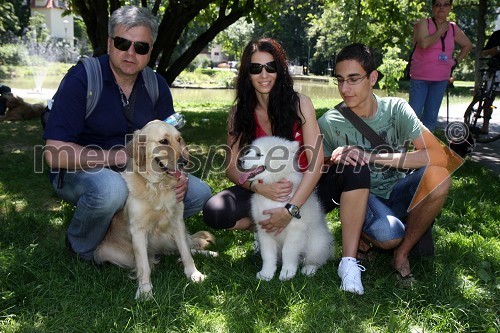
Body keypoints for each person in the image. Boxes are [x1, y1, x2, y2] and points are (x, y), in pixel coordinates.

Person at [202, 38, 371, 295]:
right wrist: (258, 188)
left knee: (355, 169)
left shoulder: (300, 103)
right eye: (256, 68)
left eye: (271, 67)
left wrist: (291, 209)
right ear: (247, 73)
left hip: (307, 186)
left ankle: (348, 264)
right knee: (216, 211)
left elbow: (315, 165)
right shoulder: (239, 113)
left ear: (280, 70)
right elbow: (232, 168)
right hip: (264, 187)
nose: (264, 74)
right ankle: (268, 233)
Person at [43, 6, 212, 262]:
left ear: (150, 51)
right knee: (111, 190)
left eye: (141, 47)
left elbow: (173, 140)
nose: (131, 53)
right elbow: (54, 154)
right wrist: (117, 157)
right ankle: (81, 247)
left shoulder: (157, 86)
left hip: (140, 172)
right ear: (110, 43)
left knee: (198, 193)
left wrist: (181, 175)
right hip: (81, 170)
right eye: (123, 43)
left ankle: (148, 236)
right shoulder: (81, 80)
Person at [318, 43, 451, 287]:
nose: (344, 89)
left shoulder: (396, 109)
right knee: (389, 235)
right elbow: (315, 170)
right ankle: (364, 235)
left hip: (399, 191)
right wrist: (333, 158)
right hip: (364, 198)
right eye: (340, 80)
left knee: (439, 176)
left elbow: (439, 156)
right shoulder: (330, 122)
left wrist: (370, 156)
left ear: (373, 77)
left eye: (353, 79)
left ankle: (402, 254)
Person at [408, 0, 472, 131]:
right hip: (420, 77)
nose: (441, 7)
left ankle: (425, 148)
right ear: (432, 7)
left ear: (450, 8)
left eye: (445, 4)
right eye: (437, 4)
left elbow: (468, 45)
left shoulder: (453, 27)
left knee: (431, 117)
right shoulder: (423, 23)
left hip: (441, 79)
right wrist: (440, 31)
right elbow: (424, 43)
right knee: (413, 115)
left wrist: (456, 61)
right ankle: (403, 146)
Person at [477, 29, 500, 134]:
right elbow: (483, 53)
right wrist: (492, 51)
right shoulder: (497, 34)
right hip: (496, 70)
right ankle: (485, 126)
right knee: (489, 99)